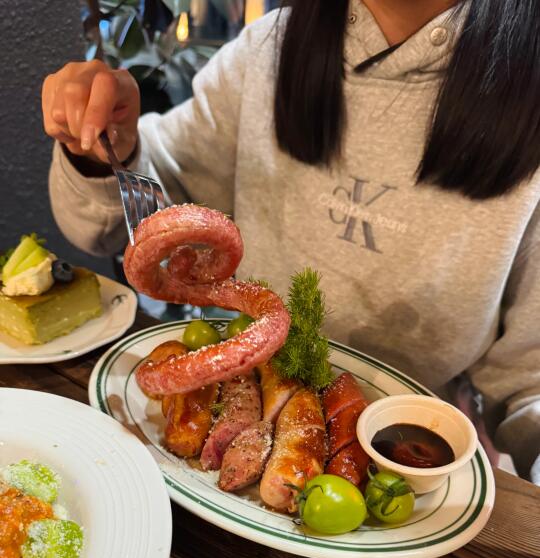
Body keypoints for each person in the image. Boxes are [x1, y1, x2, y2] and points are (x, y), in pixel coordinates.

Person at [42, 0, 540, 483]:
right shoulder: (266, 51)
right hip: (218, 410)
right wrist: (107, 147)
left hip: (419, 453)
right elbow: (120, 226)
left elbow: (529, 382)